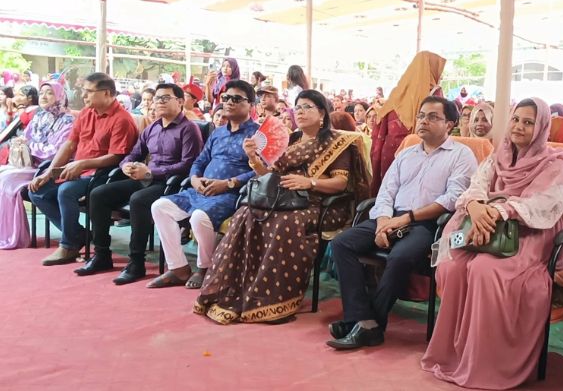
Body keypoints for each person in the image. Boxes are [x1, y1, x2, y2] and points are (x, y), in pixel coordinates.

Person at [421, 97, 563, 389]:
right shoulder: (499, 155)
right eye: (516, 119)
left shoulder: (554, 163)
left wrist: (498, 212)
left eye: (528, 122)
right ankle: (453, 354)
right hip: (481, 226)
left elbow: (544, 204)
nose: (518, 127)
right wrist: (476, 208)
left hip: (529, 232)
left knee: (485, 270)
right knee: (452, 262)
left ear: (541, 127)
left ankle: (486, 362)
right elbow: (476, 185)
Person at [194, 89, 371, 323]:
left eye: (307, 107)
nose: (300, 112)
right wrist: (253, 158)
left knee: (282, 223)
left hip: (316, 203)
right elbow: (268, 175)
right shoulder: (292, 139)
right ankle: (237, 289)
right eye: (297, 107)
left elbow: (341, 182)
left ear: (322, 114)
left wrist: (310, 182)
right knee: (246, 214)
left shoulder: (336, 143)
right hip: (281, 199)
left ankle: (273, 300)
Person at [327, 96, 477, 350]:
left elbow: (452, 199)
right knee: (342, 243)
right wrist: (384, 222)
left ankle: (369, 324)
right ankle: (361, 319)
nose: (424, 121)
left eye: (433, 117)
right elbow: (386, 192)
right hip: (391, 216)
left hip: (428, 224)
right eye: (421, 115)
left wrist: (406, 219)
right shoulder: (406, 154)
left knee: (400, 256)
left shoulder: (461, 155)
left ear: (449, 124)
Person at [77, 84, 203, 284]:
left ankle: (136, 262)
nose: (159, 102)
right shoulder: (153, 127)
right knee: (99, 194)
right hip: (144, 179)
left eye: (165, 98)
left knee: (138, 200)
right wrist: (126, 166)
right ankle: (101, 255)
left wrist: (152, 172)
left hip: (171, 184)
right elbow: (134, 154)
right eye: (157, 98)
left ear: (180, 101)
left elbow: (188, 165)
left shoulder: (189, 129)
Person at [149, 80, 259, 289]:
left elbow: (262, 170)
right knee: (159, 207)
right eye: (226, 98)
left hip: (231, 194)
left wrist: (228, 183)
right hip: (200, 190)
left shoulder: (258, 135)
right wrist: (194, 178)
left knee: (199, 217)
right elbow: (200, 161)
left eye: (237, 99)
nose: (229, 102)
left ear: (251, 105)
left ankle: (205, 268)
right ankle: (179, 268)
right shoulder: (218, 132)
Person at [28, 73, 138, 265]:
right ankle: (79, 234)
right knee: (37, 190)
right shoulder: (87, 112)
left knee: (66, 191)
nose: (83, 95)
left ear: (106, 93)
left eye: (88, 91)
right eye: (83, 91)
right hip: (77, 169)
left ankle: (69, 245)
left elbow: (116, 157)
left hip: (103, 174)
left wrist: (83, 164)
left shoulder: (122, 119)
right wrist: (49, 172)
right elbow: (70, 144)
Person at [0, 80, 75, 249]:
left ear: (60, 96)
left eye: (49, 93)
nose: (44, 96)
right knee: (2, 173)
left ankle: (14, 236)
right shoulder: (39, 116)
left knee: (6, 180)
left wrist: (31, 146)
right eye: (41, 93)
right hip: (31, 164)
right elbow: (27, 138)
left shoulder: (68, 120)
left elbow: (55, 151)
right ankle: (4, 232)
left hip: (49, 167)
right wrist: (23, 143)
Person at [372, 51, 446, 195]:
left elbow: (380, 125)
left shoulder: (398, 92)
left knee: (389, 193)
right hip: (420, 153)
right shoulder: (434, 94)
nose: (440, 75)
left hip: (389, 152)